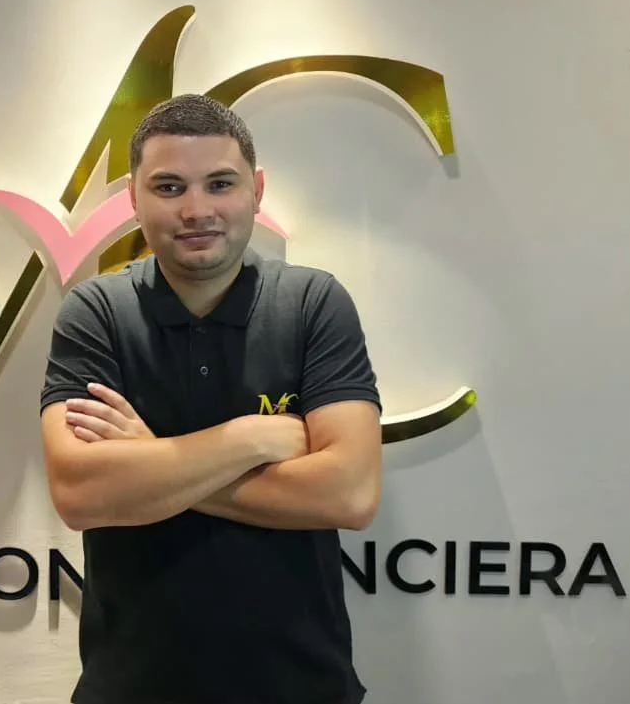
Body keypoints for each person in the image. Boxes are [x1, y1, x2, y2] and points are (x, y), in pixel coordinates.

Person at [38, 93, 383, 704]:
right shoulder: (96, 312)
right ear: (133, 199)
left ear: (256, 189)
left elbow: (350, 493)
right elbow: (81, 494)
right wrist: (248, 440)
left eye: (219, 184)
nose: (197, 210)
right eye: (169, 187)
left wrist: (153, 464)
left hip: (302, 687)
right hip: (130, 688)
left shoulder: (312, 304)